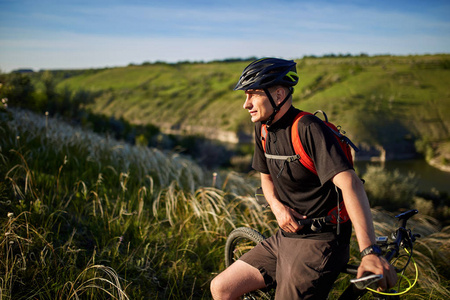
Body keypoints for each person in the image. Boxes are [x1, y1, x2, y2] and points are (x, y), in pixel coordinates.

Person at [210, 58, 397, 299]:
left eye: (253, 95)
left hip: (320, 243)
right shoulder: (263, 128)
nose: (246, 104)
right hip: (285, 237)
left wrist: (369, 251)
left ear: (278, 95)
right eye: (246, 96)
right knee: (221, 287)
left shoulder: (308, 128)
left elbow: (350, 184)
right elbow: (266, 179)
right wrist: (277, 209)